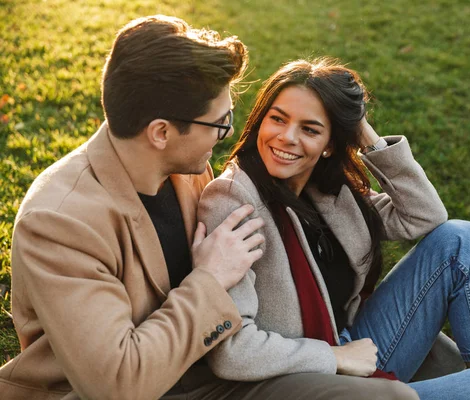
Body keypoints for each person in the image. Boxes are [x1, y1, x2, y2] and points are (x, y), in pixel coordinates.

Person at [0, 16, 421, 400]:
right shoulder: (60, 223)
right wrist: (210, 277)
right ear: (161, 132)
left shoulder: (183, 168)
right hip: (146, 391)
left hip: (210, 370)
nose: (227, 135)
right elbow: (119, 382)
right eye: (219, 123)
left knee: (440, 361)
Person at [197, 58, 470, 399]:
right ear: (260, 120)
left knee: (461, 239)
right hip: (301, 379)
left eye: (310, 129)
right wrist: (335, 357)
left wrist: (361, 131)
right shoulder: (234, 200)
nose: (287, 137)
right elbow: (231, 351)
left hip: (353, 344)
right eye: (278, 119)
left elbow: (424, 216)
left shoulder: (327, 191)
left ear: (330, 144)